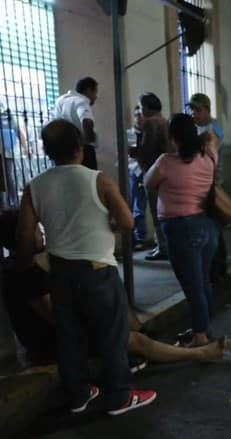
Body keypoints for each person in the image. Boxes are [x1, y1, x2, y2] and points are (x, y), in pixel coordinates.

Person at [15, 119, 156, 415]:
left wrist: (27, 261)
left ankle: (79, 394)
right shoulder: (99, 180)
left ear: (46, 150)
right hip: (96, 271)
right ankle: (119, 396)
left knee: (69, 334)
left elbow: (25, 236)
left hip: (60, 273)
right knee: (111, 333)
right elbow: (128, 222)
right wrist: (111, 225)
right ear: (79, 147)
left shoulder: (34, 187)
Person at [0, 208, 227, 366]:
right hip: (51, 344)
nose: (41, 232)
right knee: (134, 338)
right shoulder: (24, 274)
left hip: (59, 334)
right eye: (35, 230)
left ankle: (151, 345)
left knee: (114, 299)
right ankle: (199, 352)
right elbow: (57, 317)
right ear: (20, 236)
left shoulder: (25, 266)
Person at [145, 113, 219, 348]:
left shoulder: (166, 162)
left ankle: (200, 335)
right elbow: (212, 140)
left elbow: (148, 183)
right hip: (206, 226)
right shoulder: (209, 157)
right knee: (203, 281)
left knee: (192, 285)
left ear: (173, 137)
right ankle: (205, 327)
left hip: (180, 228)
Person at [188, 93, 228, 285]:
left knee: (214, 229)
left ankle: (218, 269)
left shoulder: (214, 129)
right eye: (192, 109)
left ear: (206, 109)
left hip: (212, 184)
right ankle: (212, 269)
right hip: (200, 183)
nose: (194, 113)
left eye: (197, 109)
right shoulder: (196, 127)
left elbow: (211, 156)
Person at [132, 93, 170, 259]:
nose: (139, 111)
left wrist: (133, 151)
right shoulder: (164, 121)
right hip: (166, 171)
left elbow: (146, 150)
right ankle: (165, 245)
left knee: (156, 213)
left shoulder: (151, 123)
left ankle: (162, 248)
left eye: (140, 107)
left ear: (147, 107)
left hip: (153, 171)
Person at [53, 77, 98, 170]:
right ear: (88, 90)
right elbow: (87, 121)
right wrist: (89, 139)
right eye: (95, 92)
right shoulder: (82, 100)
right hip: (81, 150)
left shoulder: (60, 100)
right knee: (88, 181)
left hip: (63, 150)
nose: (96, 97)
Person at [127, 105, 147, 249]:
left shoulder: (149, 133)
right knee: (130, 204)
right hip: (131, 172)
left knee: (139, 207)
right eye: (137, 115)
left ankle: (140, 238)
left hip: (143, 172)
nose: (139, 118)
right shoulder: (129, 134)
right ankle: (132, 237)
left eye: (141, 115)